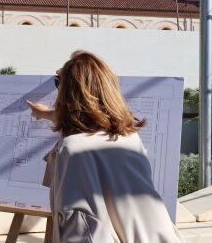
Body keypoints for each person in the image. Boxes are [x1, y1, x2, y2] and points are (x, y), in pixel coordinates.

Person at [27, 51, 183, 243]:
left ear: (67, 94)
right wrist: (45, 114)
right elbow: (92, 118)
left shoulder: (72, 149)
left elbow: (81, 225)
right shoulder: (130, 137)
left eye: (59, 84)